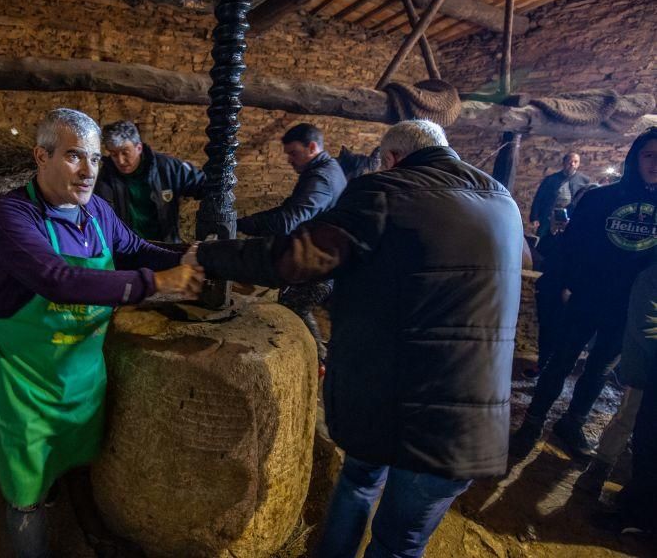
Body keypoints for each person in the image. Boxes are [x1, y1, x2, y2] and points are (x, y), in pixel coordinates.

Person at [187, 120, 523, 558]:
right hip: (468, 415)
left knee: (361, 485)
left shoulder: (386, 191)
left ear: (392, 158)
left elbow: (296, 257)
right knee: (401, 541)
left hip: (388, 397)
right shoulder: (503, 200)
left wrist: (210, 255)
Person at [0, 108, 203, 558]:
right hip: (30, 383)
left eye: (96, 160)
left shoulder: (97, 210)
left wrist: (189, 255)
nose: (89, 172)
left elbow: (136, 248)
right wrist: (155, 283)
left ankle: (91, 531)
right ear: (41, 157)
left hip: (83, 374)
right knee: (27, 492)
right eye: (74, 157)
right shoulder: (10, 216)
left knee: (79, 461)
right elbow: (55, 278)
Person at [511, 128, 657, 460]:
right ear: (636, 158)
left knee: (600, 369)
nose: (655, 163)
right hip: (588, 296)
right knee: (560, 361)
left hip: (628, 307)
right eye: (649, 155)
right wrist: (562, 285)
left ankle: (572, 422)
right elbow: (570, 248)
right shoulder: (600, 199)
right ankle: (532, 421)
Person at [236, 123, 347, 366]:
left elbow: (288, 221)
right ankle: (321, 358)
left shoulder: (320, 179)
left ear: (312, 147)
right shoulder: (326, 169)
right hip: (327, 256)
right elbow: (288, 210)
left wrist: (245, 227)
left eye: (293, 153)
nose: (289, 160)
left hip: (322, 261)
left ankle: (317, 360)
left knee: (293, 305)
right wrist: (247, 222)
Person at [576, 258, 657, 496]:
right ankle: (599, 468)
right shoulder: (651, 278)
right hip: (647, 367)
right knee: (627, 418)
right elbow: (646, 326)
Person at [524, 183, 599, 380]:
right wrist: (555, 232)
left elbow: (584, 260)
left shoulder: (596, 227)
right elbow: (545, 251)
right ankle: (542, 366)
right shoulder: (569, 221)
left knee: (562, 331)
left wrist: (570, 286)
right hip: (551, 282)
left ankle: (554, 372)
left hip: (572, 287)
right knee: (546, 327)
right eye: (581, 197)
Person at [95, 120, 206, 243]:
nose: (120, 161)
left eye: (125, 153)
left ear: (139, 148)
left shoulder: (168, 168)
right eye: (114, 154)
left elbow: (204, 185)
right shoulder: (106, 177)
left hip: (165, 247)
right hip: (127, 250)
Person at [529, 152, 590, 239]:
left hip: (570, 217)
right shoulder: (551, 179)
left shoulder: (584, 181)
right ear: (564, 162)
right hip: (548, 216)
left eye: (575, 162)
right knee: (542, 240)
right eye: (570, 161)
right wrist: (534, 217)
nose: (572, 164)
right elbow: (539, 198)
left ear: (579, 164)